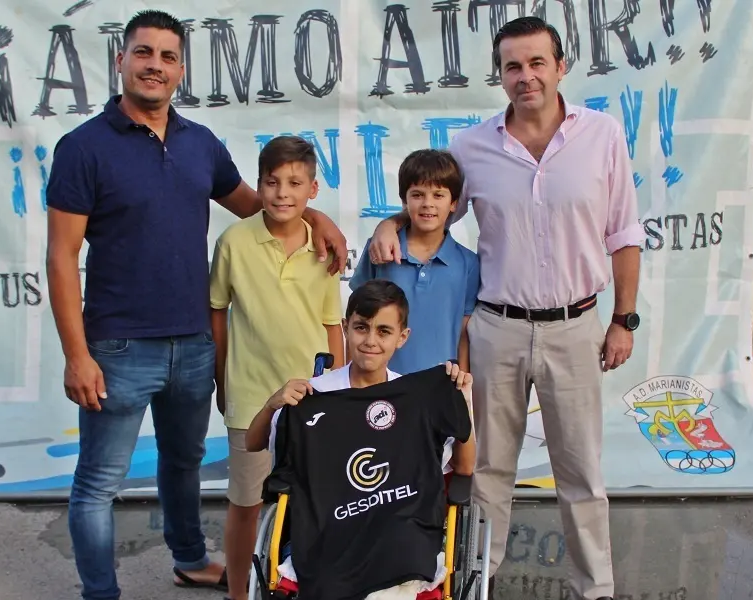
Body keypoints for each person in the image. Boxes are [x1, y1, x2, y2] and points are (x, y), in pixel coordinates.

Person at [44, 10, 347, 600]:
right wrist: (77, 355)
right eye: (143, 53)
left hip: (193, 344)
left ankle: (188, 560)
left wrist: (318, 214)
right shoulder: (83, 148)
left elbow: (257, 207)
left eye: (167, 56)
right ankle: (99, 593)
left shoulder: (199, 144)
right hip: (118, 346)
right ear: (121, 60)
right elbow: (61, 258)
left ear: (180, 68)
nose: (155, 65)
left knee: (183, 463)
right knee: (99, 484)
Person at [366, 16, 641, 600]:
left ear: (560, 66)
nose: (526, 76)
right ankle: (474, 584)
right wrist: (390, 222)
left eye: (537, 63)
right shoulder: (472, 147)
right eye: (513, 66)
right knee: (487, 471)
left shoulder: (602, 136)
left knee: (582, 476)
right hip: (496, 329)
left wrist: (624, 319)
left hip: (576, 327)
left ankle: (597, 590)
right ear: (500, 75)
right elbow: (435, 206)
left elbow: (625, 233)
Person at [245, 279, 475, 599]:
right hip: (330, 526)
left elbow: (464, 468)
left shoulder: (417, 399)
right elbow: (252, 444)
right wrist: (273, 403)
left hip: (398, 525)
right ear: (345, 328)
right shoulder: (317, 394)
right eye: (361, 327)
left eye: (384, 331)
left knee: (401, 546)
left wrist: (460, 402)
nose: (370, 340)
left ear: (402, 337)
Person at [208, 134, 346, 600]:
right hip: (250, 396)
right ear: (260, 186)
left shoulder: (325, 250)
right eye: (271, 182)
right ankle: (238, 593)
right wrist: (220, 380)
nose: (282, 193)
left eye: (294, 183)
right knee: (246, 502)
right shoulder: (234, 242)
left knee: (317, 502)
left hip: (314, 400)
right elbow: (217, 313)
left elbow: (332, 327)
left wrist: (341, 390)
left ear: (313, 190)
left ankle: (307, 584)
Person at [349, 149, 480, 376]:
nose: (427, 204)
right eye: (417, 195)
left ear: (453, 203)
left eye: (438, 195)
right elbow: (356, 319)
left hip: (439, 385)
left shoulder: (467, 263)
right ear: (404, 200)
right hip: (381, 383)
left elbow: (464, 332)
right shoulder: (381, 249)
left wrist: (463, 387)